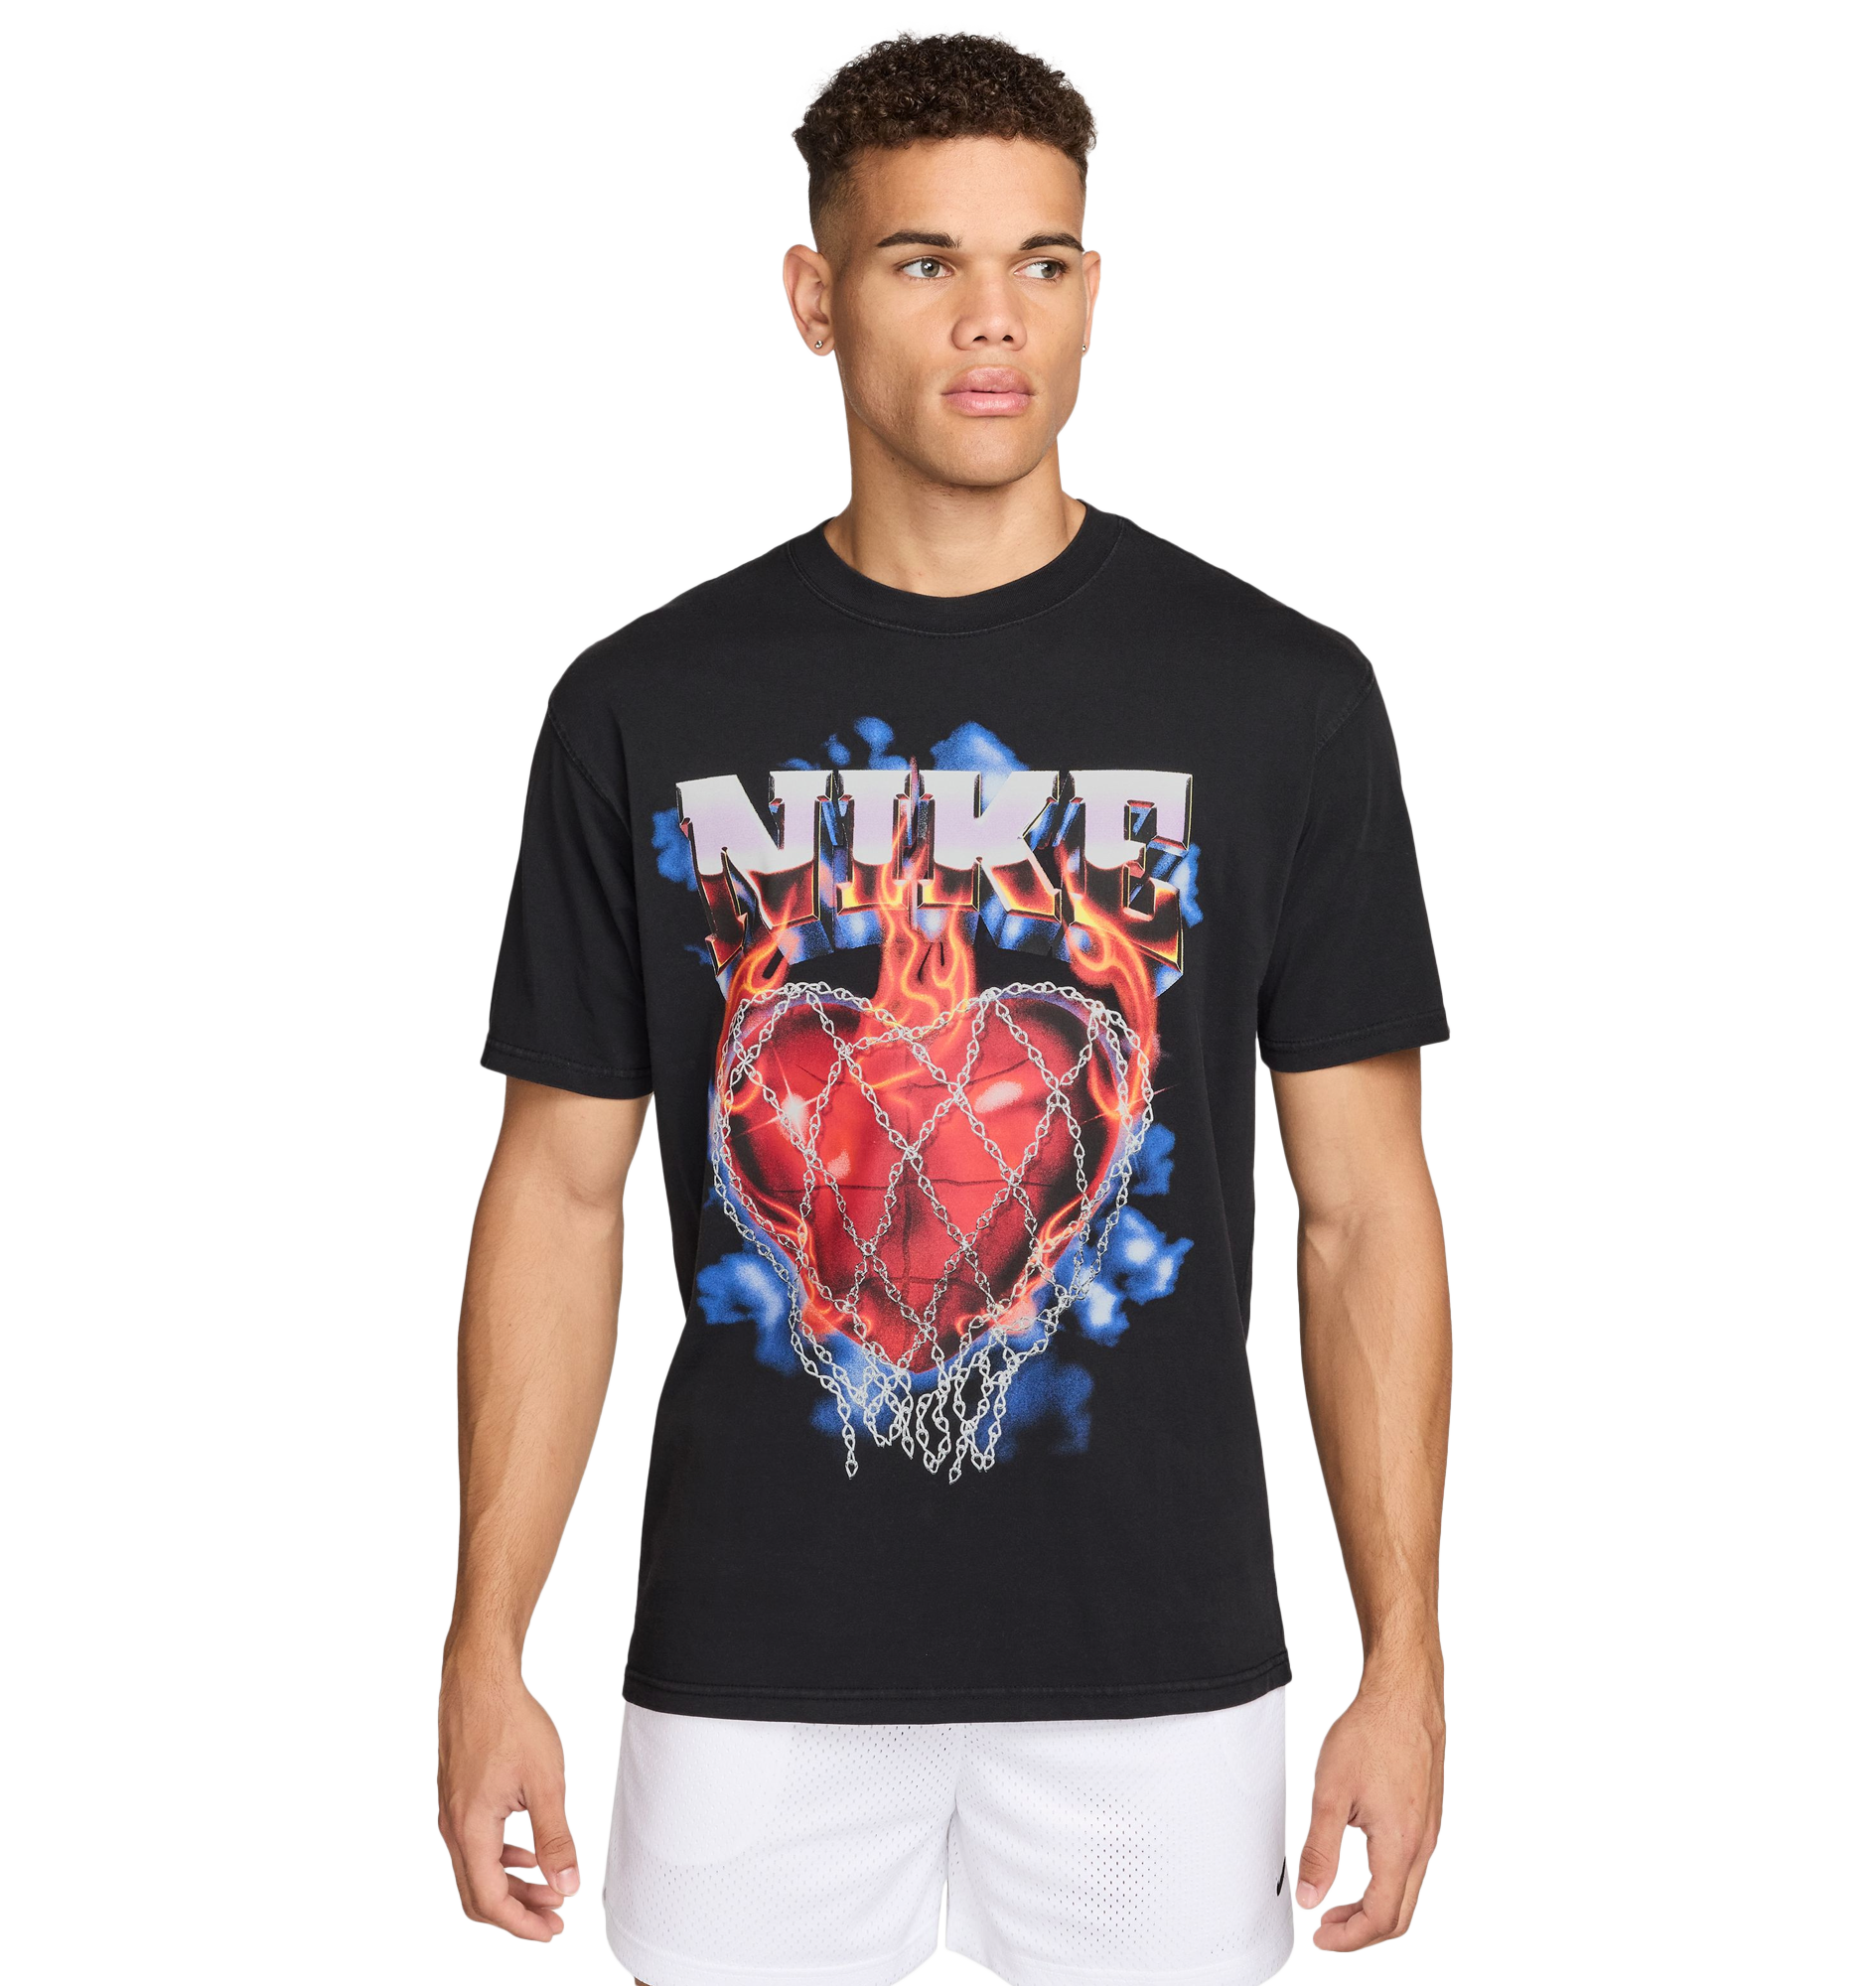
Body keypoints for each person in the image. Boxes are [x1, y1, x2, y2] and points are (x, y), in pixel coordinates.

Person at [436, 27, 1452, 1985]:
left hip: (1163, 1678)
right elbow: (554, 1196)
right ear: (812, 296)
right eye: (926, 262)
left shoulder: (1281, 698)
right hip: (747, 1676)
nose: (997, 319)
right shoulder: (638, 703)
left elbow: (1365, 1212)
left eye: (1042, 261)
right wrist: (490, 1646)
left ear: (1089, 287)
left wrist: (1403, 1665)